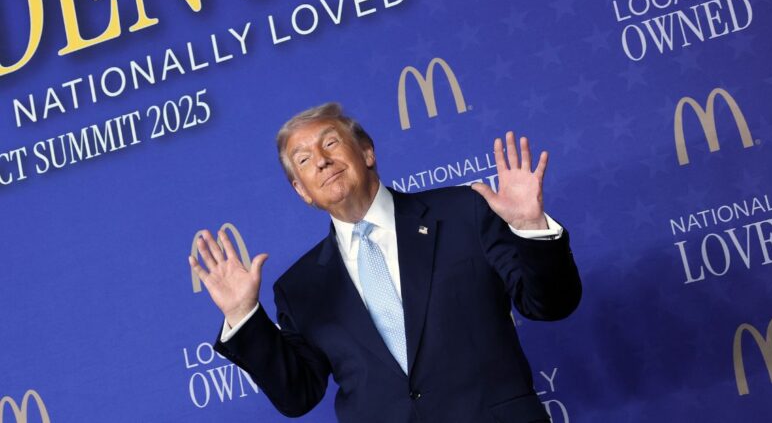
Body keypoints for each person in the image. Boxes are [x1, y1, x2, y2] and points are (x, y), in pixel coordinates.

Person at [188, 103, 581, 423]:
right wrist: (244, 316)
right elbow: (298, 395)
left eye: (330, 144)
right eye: (304, 160)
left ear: (367, 152)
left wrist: (530, 227)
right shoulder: (300, 287)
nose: (321, 162)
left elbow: (550, 304)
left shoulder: (464, 213)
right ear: (302, 191)